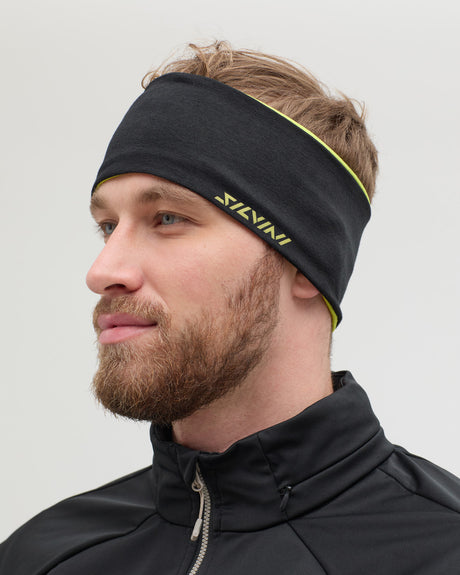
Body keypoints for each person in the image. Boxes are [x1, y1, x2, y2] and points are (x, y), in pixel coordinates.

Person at [1, 40, 459, 574]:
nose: (102, 271)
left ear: (304, 265)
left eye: (168, 219)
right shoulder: (43, 557)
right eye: (107, 226)